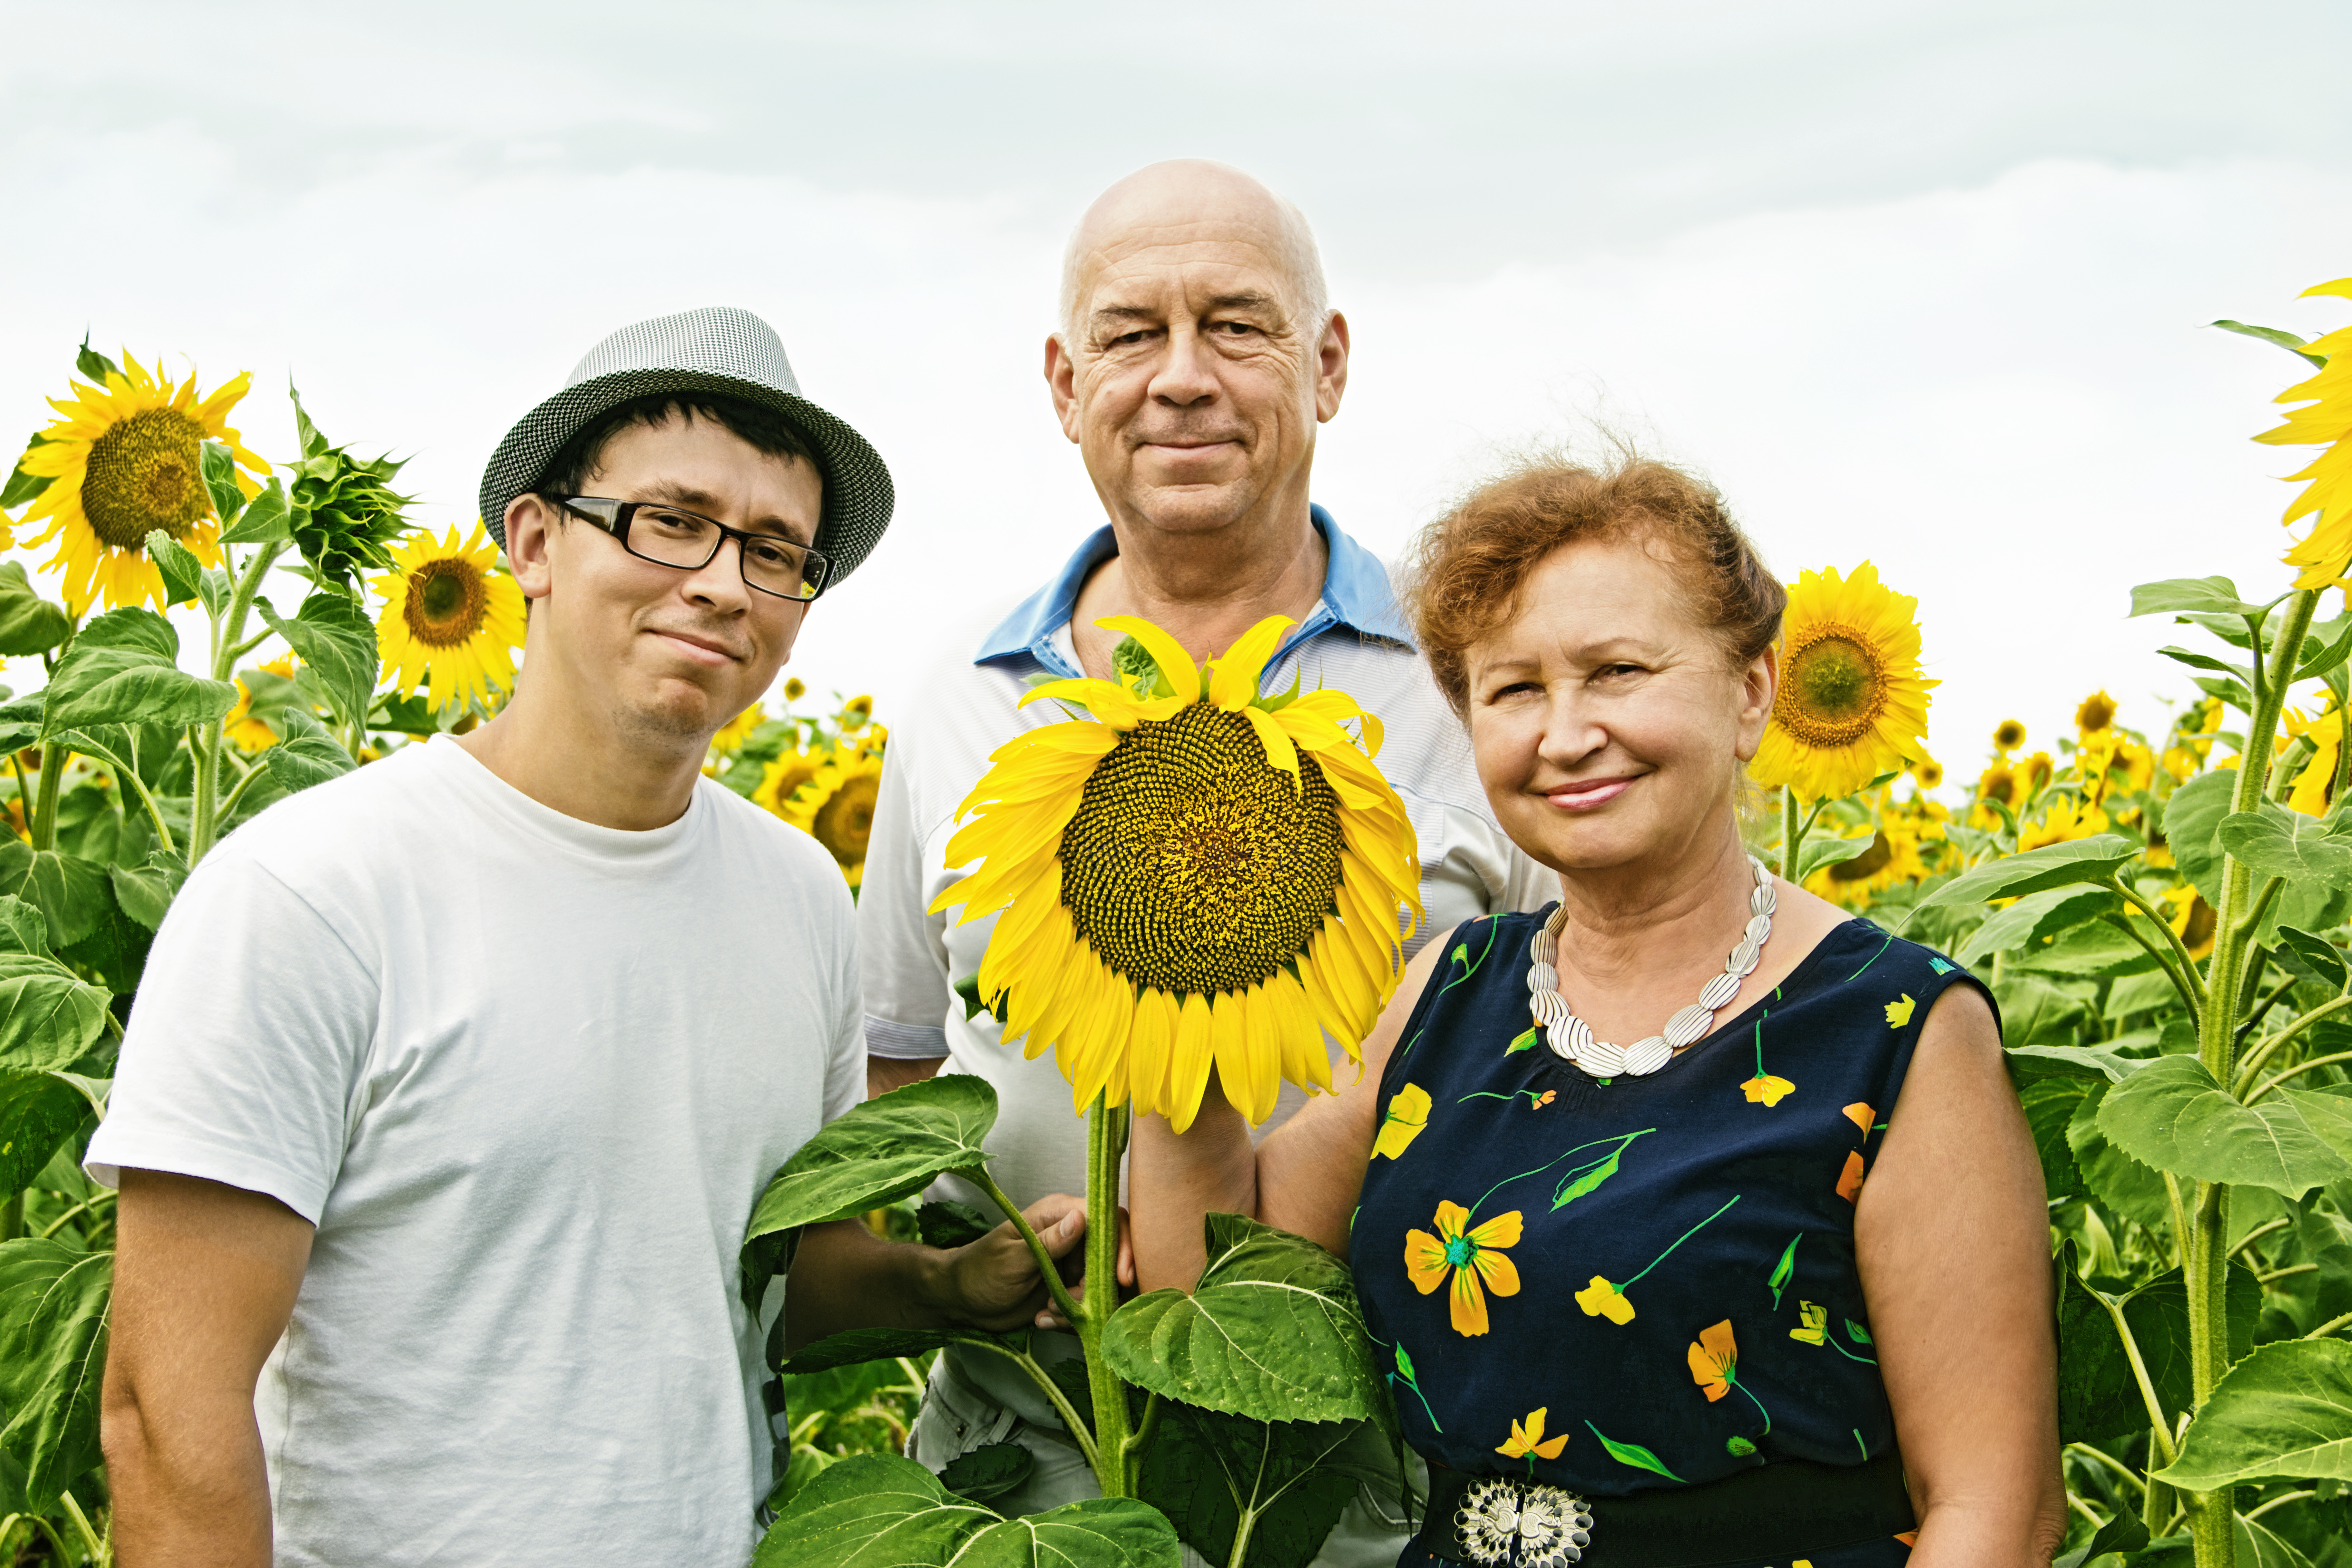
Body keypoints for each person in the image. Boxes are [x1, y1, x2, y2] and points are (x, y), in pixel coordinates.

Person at [92, 307, 1084, 1568]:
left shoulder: (793, 895)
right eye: (673, 522)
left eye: (777, 552)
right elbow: (166, 1418)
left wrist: (948, 1290)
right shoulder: (313, 895)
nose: (725, 584)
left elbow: (776, 1280)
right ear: (535, 540)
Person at [1129, 455, 2065, 1568]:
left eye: (1617, 671)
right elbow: (1223, 1288)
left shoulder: (1893, 1030)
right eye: (1514, 689)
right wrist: (1167, 960)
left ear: (1752, 690)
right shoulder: (1448, 994)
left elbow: (1992, 1510)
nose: (1565, 735)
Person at [858, 160, 1550, 1552]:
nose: (1181, 379)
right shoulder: (962, 697)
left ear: (1328, 363)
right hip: (1023, 1470)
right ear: (1064, 384)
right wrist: (953, 1265)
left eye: (1237, 325)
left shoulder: (1472, 680)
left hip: (1363, 1477)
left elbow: (1566, 1061)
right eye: (1130, 334)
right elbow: (899, 1071)